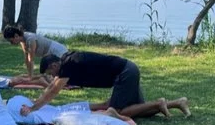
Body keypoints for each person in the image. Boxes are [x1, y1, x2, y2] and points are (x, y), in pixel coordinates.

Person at [21, 50, 191, 119]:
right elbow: (52, 87)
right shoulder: (67, 61)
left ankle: (159, 103)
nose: (52, 76)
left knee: (118, 112)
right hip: (128, 69)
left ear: (54, 65)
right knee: (140, 111)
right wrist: (36, 102)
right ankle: (177, 103)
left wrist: (33, 108)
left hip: (125, 73)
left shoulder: (68, 65)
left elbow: (53, 90)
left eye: (51, 73)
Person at [6, 94, 135, 125]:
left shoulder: (9, 111)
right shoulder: (17, 98)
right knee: (65, 109)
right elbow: (33, 101)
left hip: (36, 113)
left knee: (64, 115)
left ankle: (106, 113)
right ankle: (104, 107)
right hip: (44, 109)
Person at [3, 25, 68, 79]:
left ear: (16, 36)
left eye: (11, 41)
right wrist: (29, 75)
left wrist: (30, 77)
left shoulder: (30, 39)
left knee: (59, 75)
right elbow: (26, 60)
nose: (11, 43)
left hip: (58, 51)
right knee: (50, 76)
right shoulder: (22, 41)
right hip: (50, 54)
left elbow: (31, 60)